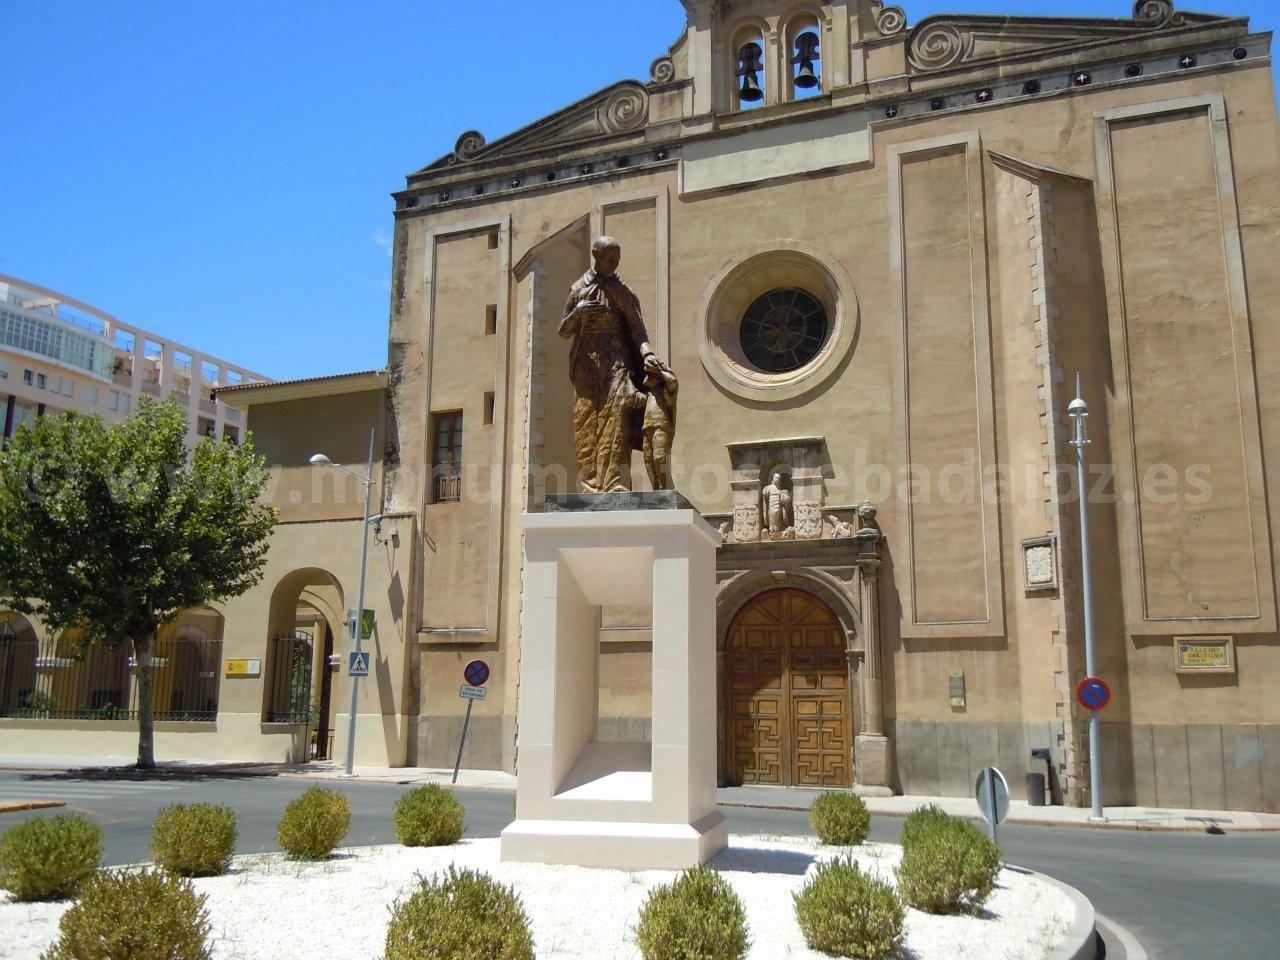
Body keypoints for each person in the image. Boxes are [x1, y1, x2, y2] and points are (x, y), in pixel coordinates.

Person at [559, 236, 666, 493]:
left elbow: (638, 330)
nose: (613, 266)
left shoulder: (623, 292)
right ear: (595, 255)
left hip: (617, 361)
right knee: (585, 422)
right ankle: (589, 486)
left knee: (616, 418)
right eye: (609, 260)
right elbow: (563, 331)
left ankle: (615, 481)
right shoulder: (577, 289)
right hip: (586, 364)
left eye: (616, 261)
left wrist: (647, 354)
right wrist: (578, 313)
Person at [642, 359, 678, 490]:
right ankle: (656, 489)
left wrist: (660, 370)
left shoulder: (666, 391)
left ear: (657, 378)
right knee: (648, 461)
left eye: (649, 375)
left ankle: (664, 487)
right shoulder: (648, 394)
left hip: (661, 426)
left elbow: (673, 381)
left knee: (659, 458)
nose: (646, 377)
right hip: (647, 428)